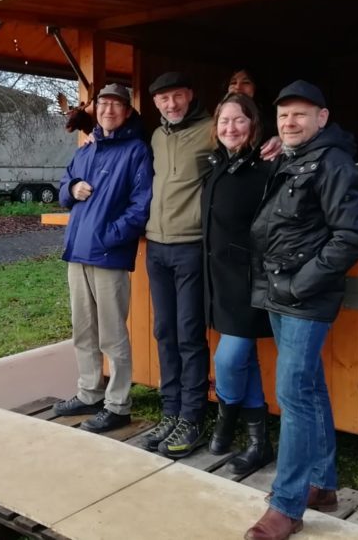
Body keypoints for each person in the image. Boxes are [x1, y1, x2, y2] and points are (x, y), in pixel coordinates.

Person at [243, 80, 358, 540]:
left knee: (294, 395)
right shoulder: (293, 157)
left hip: (304, 296)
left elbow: (352, 235)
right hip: (280, 291)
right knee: (310, 389)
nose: (290, 122)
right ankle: (322, 484)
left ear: (323, 117)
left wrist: (301, 283)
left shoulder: (333, 162)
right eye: (283, 116)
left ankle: (287, 504)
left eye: (299, 114)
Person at [53, 83, 153, 433]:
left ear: (127, 112)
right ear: (95, 110)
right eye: (103, 104)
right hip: (77, 253)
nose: (109, 110)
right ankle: (89, 392)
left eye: (116, 105)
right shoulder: (86, 148)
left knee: (112, 335)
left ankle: (118, 404)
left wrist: (109, 237)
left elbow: (141, 206)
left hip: (108, 255)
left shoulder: (137, 151)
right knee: (83, 330)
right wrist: (71, 189)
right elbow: (64, 186)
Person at [138, 71, 215, 457]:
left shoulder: (213, 129)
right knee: (164, 331)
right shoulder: (156, 135)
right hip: (156, 247)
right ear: (156, 103)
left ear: (190, 95)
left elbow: (244, 144)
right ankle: (170, 412)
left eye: (177, 97)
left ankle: (192, 417)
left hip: (191, 247)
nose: (171, 105)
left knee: (189, 334)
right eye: (164, 99)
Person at [200, 93, 276, 475]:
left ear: (253, 125)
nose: (230, 128)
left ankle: (226, 419)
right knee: (243, 360)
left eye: (238, 120)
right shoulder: (216, 167)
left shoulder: (266, 168)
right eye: (224, 121)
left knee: (229, 359)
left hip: (249, 282)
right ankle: (260, 443)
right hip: (218, 282)